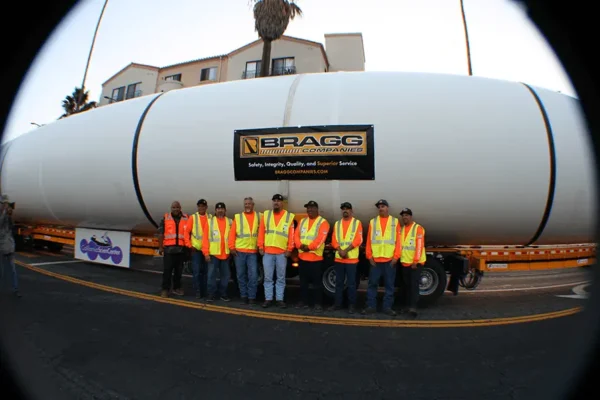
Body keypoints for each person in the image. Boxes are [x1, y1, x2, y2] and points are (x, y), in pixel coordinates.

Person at [363, 199, 401, 316]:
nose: (381, 208)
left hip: (389, 260)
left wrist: (396, 257)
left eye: (383, 206)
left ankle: (387, 307)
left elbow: (399, 241)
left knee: (389, 286)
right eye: (379, 206)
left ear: (387, 208)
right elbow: (369, 240)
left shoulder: (395, 222)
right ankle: (371, 306)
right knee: (372, 284)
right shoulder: (373, 222)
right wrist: (369, 257)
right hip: (376, 261)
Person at [257, 194, 295, 309]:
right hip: (268, 252)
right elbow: (261, 231)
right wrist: (260, 246)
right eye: (274, 201)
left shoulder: (289, 217)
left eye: (278, 201)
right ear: (272, 202)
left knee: (280, 277)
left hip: (282, 253)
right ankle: (268, 299)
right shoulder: (266, 215)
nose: (276, 203)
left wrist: (289, 249)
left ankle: (279, 299)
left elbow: (291, 235)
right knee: (268, 278)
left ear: (282, 203)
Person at [295, 201, 330, 312]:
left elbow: (320, 240)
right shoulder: (302, 221)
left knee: (317, 284)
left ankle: (317, 303)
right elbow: (296, 236)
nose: (309, 210)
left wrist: (308, 247)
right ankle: (304, 301)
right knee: (303, 283)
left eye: (311, 208)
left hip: (315, 259)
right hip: (303, 258)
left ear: (316, 209)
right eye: (308, 208)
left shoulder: (323, 222)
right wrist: (300, 245)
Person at [329, 202, 363, 314]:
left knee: (352, 283)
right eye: (343, 209)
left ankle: (351, 305)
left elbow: (358, 239)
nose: (345, 210)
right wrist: (340, 251)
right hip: (339, 258)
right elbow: (334, 239)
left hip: (351, 259)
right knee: (339, 283)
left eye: (347, 209)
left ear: (351, 211)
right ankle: (338, 304)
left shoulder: (357, 223)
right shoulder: (337, 224)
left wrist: (346, 251)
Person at [229, 197, 260, 305]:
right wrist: (231, 247)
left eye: (249, 204)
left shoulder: (259, 216)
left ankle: (251, 296)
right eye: (245, 204)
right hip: (239, 251)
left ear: (253, 205)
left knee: (253, 276)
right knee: (241, 275)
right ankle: (244, 295)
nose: (247, 205)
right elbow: (232, 233)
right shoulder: (238, 217)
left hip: (252, 251)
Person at [157, 201, 191, 298]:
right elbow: (160, 233)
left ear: (180, 208)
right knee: (167, 271)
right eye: (174, 207)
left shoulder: (186, 218)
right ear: (171, 208)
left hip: (181, 250)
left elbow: (189, 232)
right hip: (169, 250)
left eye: (177, 207)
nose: (175, 209)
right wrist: (160, 247)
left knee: (178, 271)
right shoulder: (166, 218)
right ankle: (165, 289)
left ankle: (177, 288)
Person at [398, 208, 426, 317]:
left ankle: (413, 308)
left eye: (407, 215)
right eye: (403, 215)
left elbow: (419, 245)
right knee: (406, 286)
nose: (404, 217)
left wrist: (415, 261)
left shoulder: (418, 228)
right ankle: (407, 307)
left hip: (415, 264)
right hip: (405, 262)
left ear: (411, 216)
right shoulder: (402, 229)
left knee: (414, 286)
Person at [203, 202, 232, 302]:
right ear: (215, 211)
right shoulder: (210, 222)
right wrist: (206, 253)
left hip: (226, 254)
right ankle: (211, 294)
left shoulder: (230, 222)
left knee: (226, 276)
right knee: (211, 275)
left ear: (225, 210)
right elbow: (205, 239)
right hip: (214, 254)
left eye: (222, 209)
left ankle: (223, 293)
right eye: (218, 209)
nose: (220, 210)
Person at [188, 199, 212, 299]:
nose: (201, 208)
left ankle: (205, 291)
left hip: (207, 250)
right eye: (200, 206)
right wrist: (189, 245)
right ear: (197, 207)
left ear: (206, 207)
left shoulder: (210, 217)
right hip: (196, 250)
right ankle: (198, 291)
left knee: (207, 272)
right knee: (197, 272)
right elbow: (186, 232)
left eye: (203, 206)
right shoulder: (193, 218)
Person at [0, 195, 20, 297]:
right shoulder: (2, 215)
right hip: (1, 247)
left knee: (13, 270)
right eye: (4, 203)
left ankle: (15, 289)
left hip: (10, 245)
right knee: (1, 271)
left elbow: (12, 227)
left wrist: (10, 214)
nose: (5, 205)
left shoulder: (7, 216)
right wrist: (4, 212)